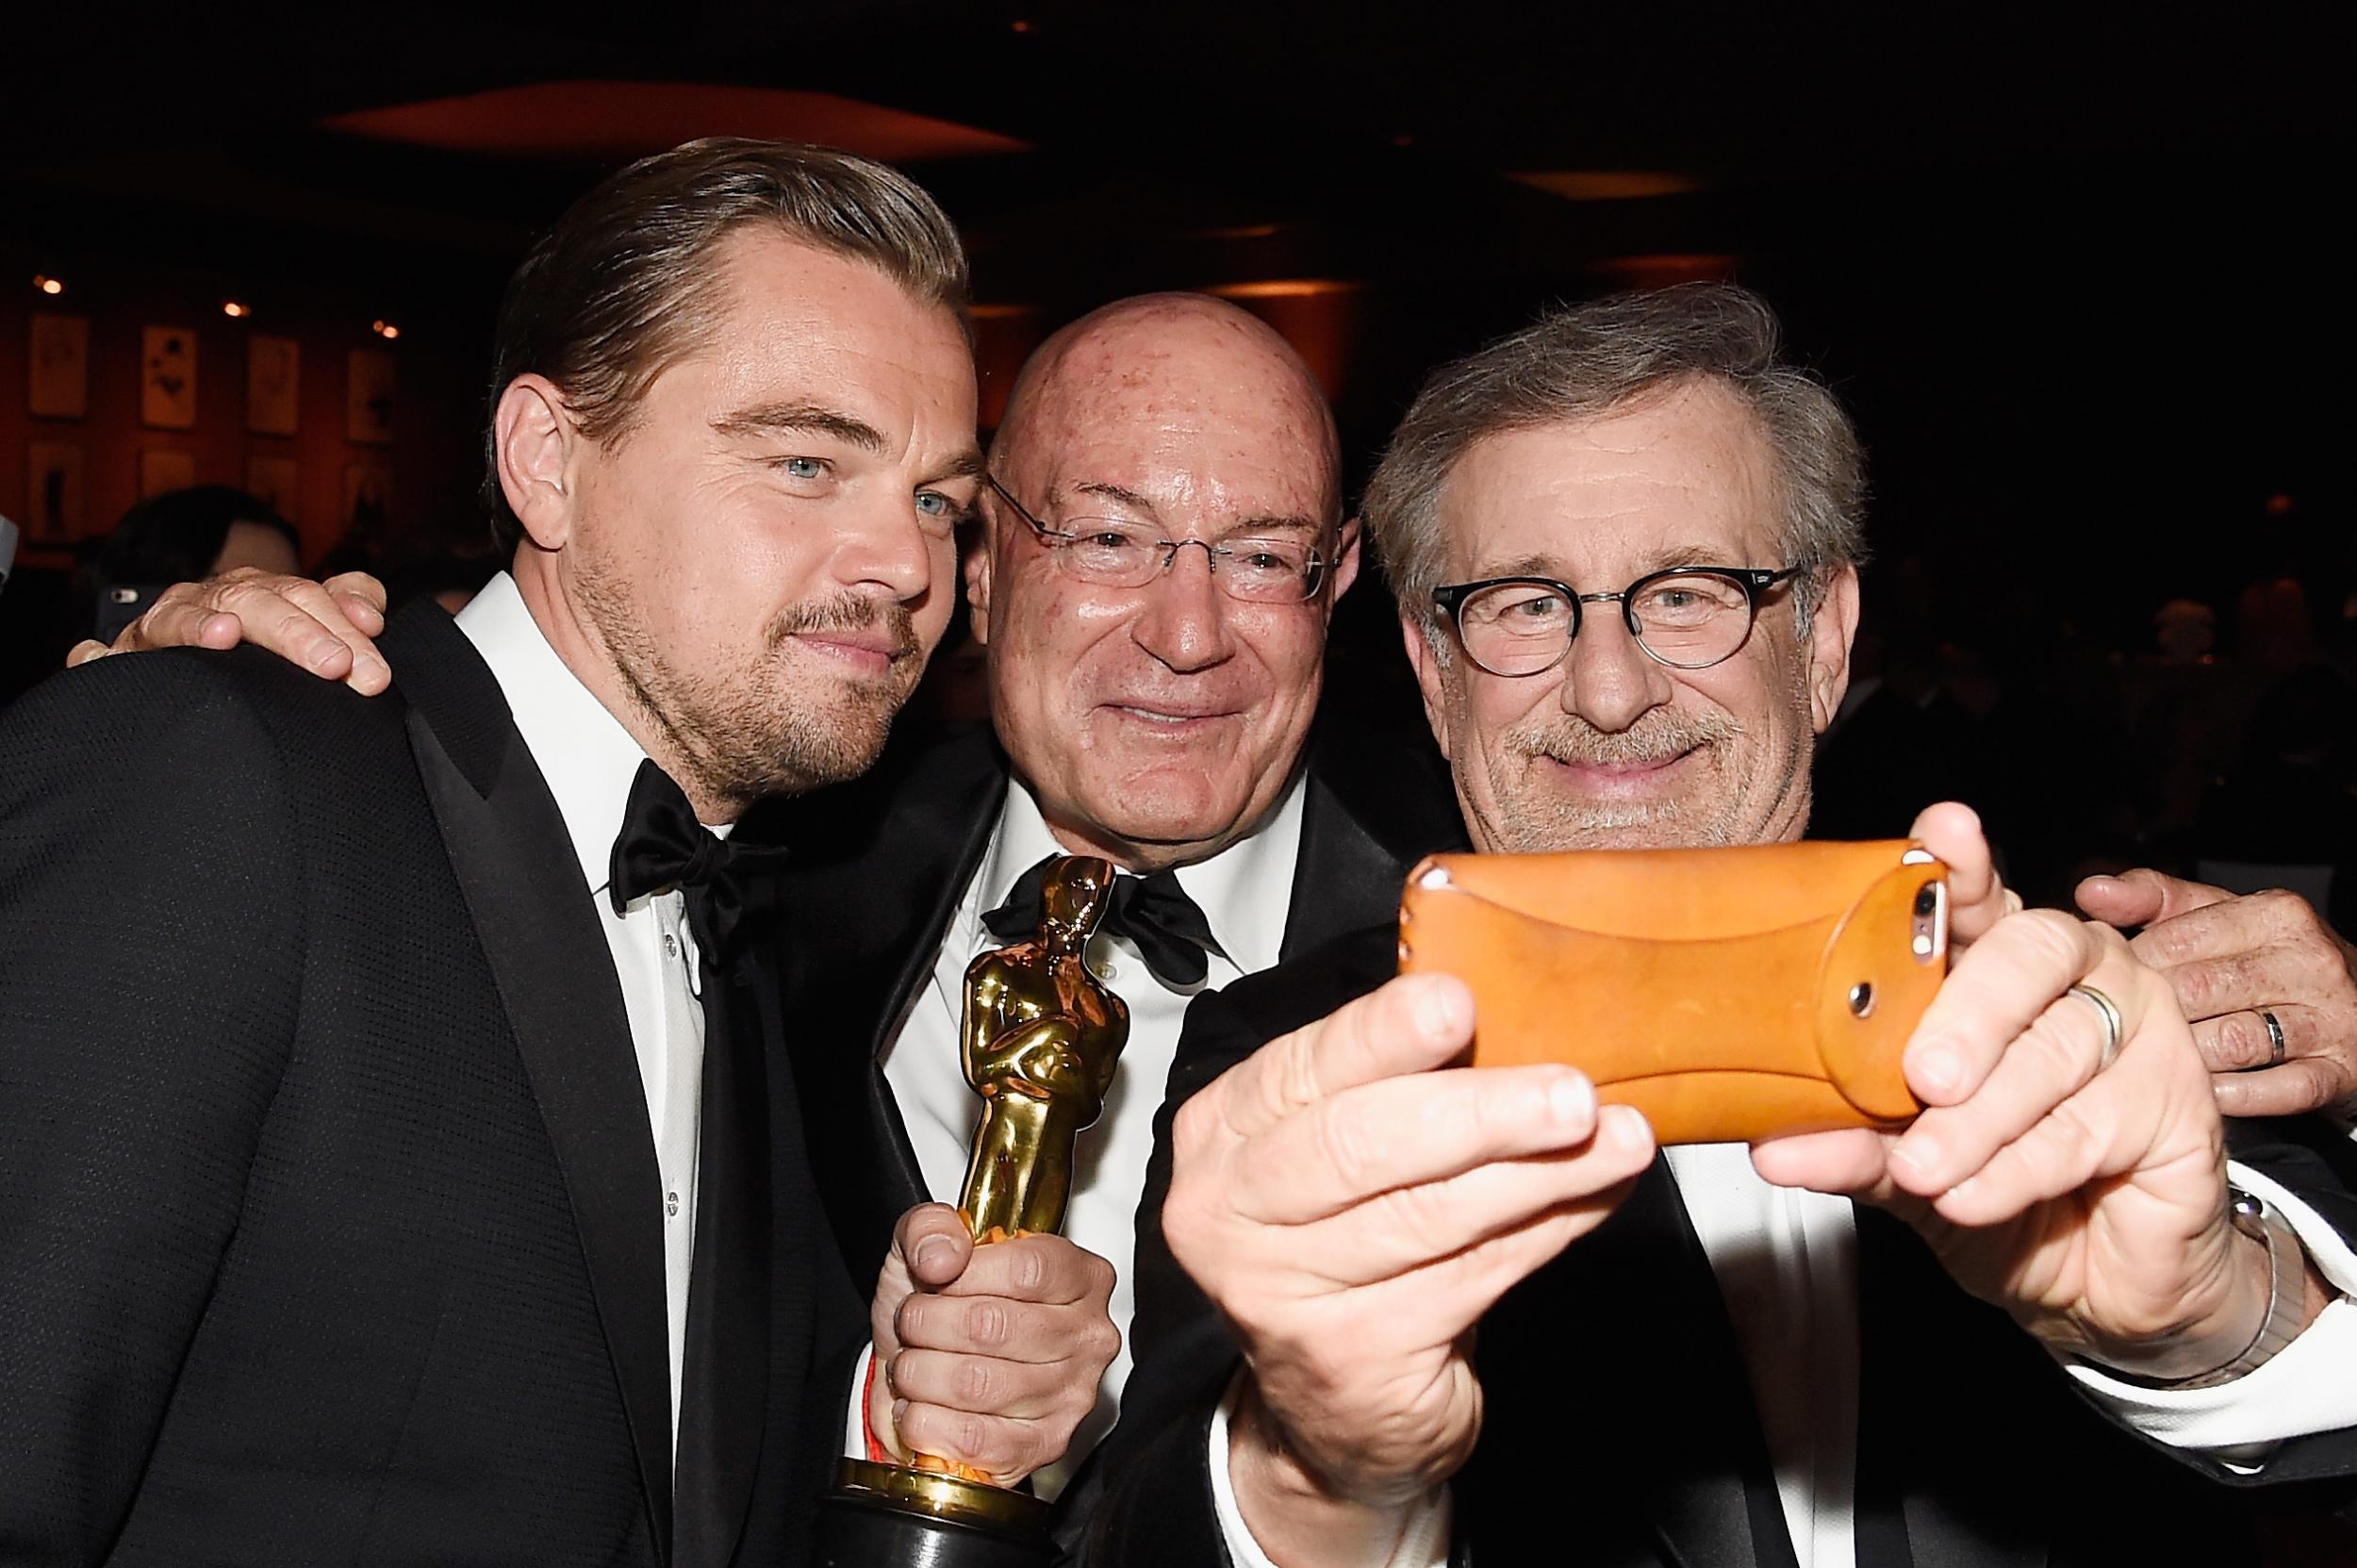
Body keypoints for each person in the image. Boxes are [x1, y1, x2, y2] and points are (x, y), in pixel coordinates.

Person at [1081, 285, 2357, 1567]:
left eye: (1687, 593)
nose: (1612, 686)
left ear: (1823, 638)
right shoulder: (1304, 1065)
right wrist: (1322, 1474)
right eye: (1526, 604)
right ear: (1432, 669)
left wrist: (2211, 1325)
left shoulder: (2052, 1006)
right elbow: (1155, 1524)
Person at [0, 138, 1114, 1567]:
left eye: (934, 500)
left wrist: (907, 1402)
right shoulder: (215, 770)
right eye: (802, 459)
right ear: (546, 463)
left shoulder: (756, 918)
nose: (906, 564)